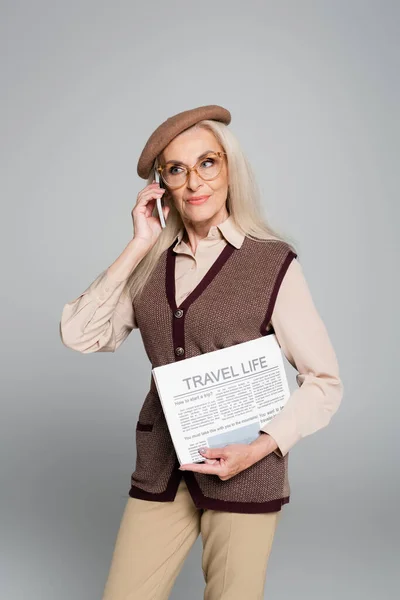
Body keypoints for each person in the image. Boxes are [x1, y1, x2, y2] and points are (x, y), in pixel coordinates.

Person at [59, 105, 344, 600]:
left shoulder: (271, 261)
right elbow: (80, 335)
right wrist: (137, 244)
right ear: (161, 184)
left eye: (207, 163)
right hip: (162, 464)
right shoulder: (149, 264)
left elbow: (324, 383)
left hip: (244, 469)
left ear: (229, 169)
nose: (195, 181)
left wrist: (260, 447)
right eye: (176, 169)